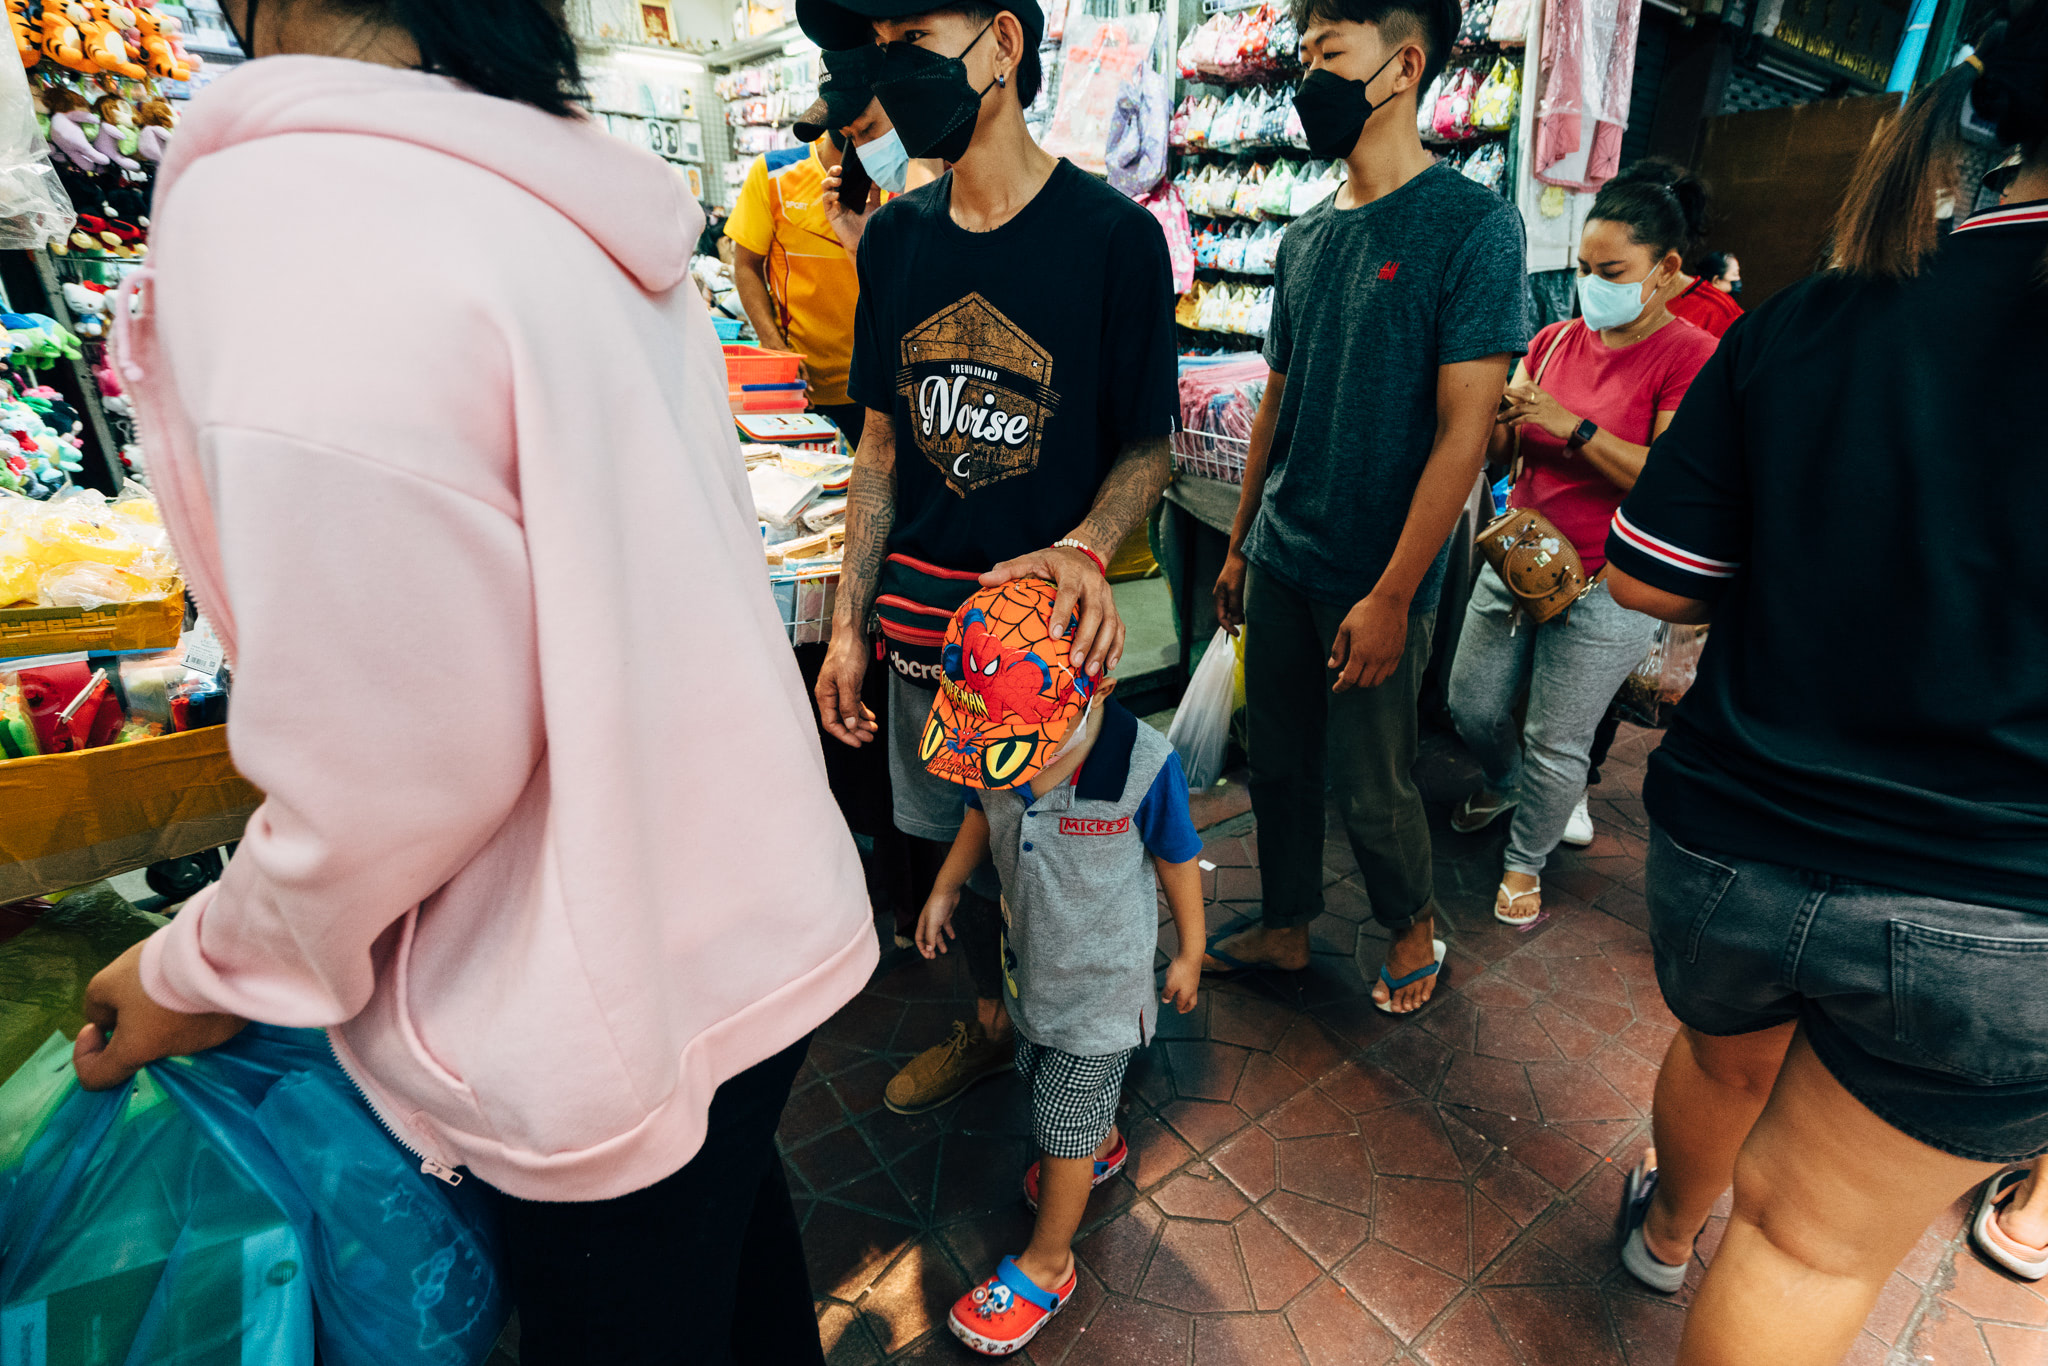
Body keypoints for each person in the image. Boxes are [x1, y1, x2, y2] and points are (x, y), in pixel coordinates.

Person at [68, 2, 877, 1362]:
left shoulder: (293, 215)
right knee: (733, 1272)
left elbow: (390, 762)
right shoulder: (559, 191)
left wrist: (204, 962)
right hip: (747, 920)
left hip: (591, 985)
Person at [1600, 14, 2048, 1362]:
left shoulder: (1813, 315)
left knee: (1727, 1055)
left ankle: (1665, 1231)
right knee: (1805, 1239)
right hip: (2006, 905)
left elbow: (1649, 578)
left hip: (1742, 846)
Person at [800, 0, 1178, 1112]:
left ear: (1002, 46)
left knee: (1060, 875)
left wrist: (1083, 544)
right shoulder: (903, 241)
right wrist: (844, 625)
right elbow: (878, 448)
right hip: (922, 644)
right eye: (877, 51)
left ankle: (1083, 1059)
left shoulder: (1112, 240)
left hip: (1043, 661)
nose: (891, 73)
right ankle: (984, 1021)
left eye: (912, 42)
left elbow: (1147, 449)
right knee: (943, 862)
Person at [1206, 0, 1529, 1011]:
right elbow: (1276, 404)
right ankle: (1287, 926)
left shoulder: (1471, 225)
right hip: (1284, 550)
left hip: (1379, 573)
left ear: (1399, 67)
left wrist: (1394, 592)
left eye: (1325, 55)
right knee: (1279, 763)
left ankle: (1411, 927)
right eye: (1301, 56)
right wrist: (1239, 539)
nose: (1306, 79)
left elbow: (1463, 431)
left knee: (1373, 779)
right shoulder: (1303, 237)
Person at [913, 580, 1205, 1355]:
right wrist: (946, 887)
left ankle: (1048, 1263)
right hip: (1033, 970)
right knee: (1042, 1076)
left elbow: (1179, 858)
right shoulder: (1001, 741)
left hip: (1102, 992)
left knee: (1059, 1120)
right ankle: (1099, 1137)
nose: (1010, 758)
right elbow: (982, 811)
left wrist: (1191, 948)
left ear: (1094, 683)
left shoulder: (1145, 765)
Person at [1446, 160, 1718, 927]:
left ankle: (1525, 861)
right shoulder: (1557, 338)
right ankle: (1504, 783)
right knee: (1470, 703)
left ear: (1666, 271)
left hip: (1609, 581)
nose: (1592, 285)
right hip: (1520, 557)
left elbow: (1664, 480)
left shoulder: (1690, 356)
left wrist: (1570, 424)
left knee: (1557, 738)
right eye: (1584, 268)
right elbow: (1505, 458)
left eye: (1613, 271)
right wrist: (1500, 425)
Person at [726, 45, 911, 444]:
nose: (854, 137)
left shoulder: (909, 183)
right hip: (805, 387)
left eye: (866, 127)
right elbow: (746, 265)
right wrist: (774, 347)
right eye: (846, 127)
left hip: (886, 385)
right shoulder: (774, 175)